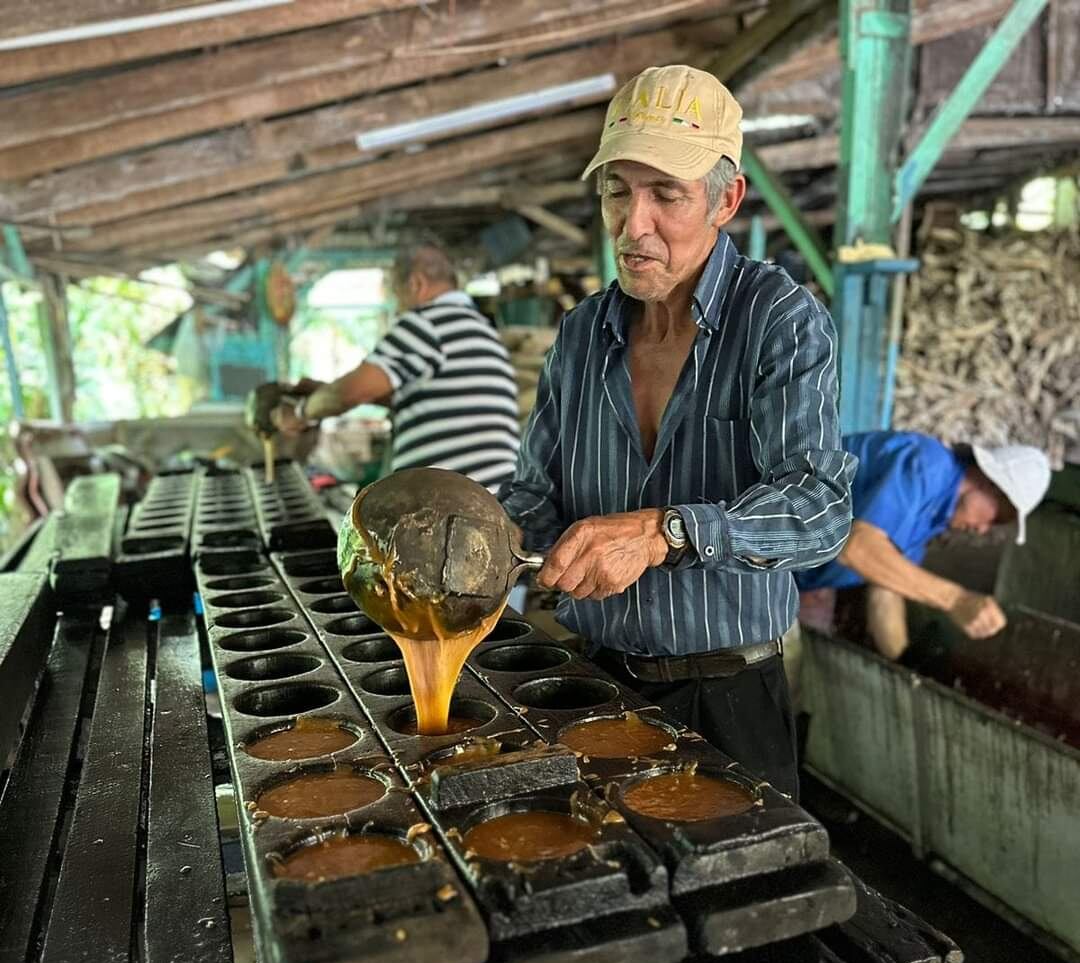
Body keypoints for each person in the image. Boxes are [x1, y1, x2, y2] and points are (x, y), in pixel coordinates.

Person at [501, 64, 856, 804]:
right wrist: (482, 540)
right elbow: (534, 497)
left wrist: (667, 531)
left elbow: (820, 509)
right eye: (616, 192)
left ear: (726, 198)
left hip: (729, 693)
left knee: (741, 904)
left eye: (666, 194)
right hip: (591, 683)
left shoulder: (777, 321)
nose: (635, 226)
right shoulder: (579, 336)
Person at [267, 239, 521, 495]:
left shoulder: (427, 323)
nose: (397, 307)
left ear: (416, 284)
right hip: (491, 501)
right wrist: (324, 391)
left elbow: (352, 392)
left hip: (454, 508)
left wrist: (299, 413)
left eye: (396, 296)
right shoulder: (480, 330)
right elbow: (423, 398)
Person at [794, 432, 1051, 659]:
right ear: (989, 483)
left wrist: (906, 663)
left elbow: (885, 590)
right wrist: (956, 599)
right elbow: (858, 548)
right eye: (995, 518)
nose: (983, 530)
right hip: (764, 534)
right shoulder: (928, 465)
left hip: (790, 574)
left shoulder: (932, 522)